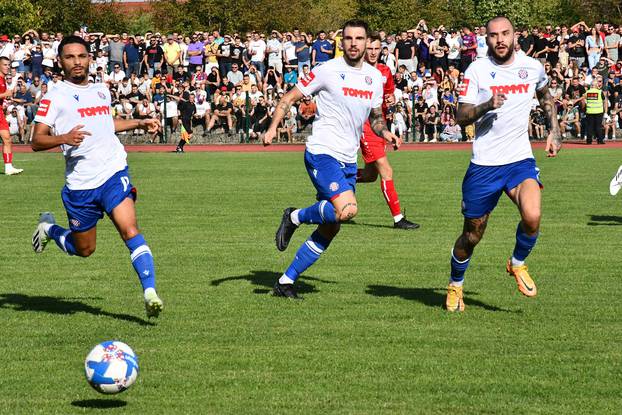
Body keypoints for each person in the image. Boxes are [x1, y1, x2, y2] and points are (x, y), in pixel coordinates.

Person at [262, 20, 400, 299]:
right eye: (348, 38)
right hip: (322, 152)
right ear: (342, 42)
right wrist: (273, 126)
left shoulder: (374, 78)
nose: (353, 43)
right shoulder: (327, 70)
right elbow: (289, 98)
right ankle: (295, 216)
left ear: (367, 43)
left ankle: (285, 281)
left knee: (331, 226)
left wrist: (387, 134)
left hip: (348, 159)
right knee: (348, 209)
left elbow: (374, 119)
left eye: (359, 38)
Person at [30, 36, 164, 318]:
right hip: (80, 186)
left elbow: (106, 123)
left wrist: (139, 122)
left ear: (89, 58)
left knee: (130, 230)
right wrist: (65, 137)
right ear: (60, 62)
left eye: (81, 56)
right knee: (85, 250)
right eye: (70, 57)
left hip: (113, 172)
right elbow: (36, 140)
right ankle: (49, 229)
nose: (77, 61)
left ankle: (149, 292)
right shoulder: (55, 95)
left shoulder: (102, 89)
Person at [446, 16, 562, 312]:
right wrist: (487, 105)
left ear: (515, 36)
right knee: (472, 236)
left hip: (519, 161)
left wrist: (554, 130)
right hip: (484, 166)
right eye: (493, 35)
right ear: (486, 39)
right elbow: (460, 116)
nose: (500, 39)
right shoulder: (478, 70)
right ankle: (456, 285)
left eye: (505, 34)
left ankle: (517, 263)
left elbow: (545, 95)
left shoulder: (531, 67)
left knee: (533, 215)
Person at [356, 33, 418, 228]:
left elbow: (389, 95)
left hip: (380, 125)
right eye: (370, 49)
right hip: (365, 125)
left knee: (369, 175)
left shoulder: (384, 71)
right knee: (386, 170)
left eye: (376, 49)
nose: (373, 52)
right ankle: (398, 219)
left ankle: (335, 180)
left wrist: (391, 102)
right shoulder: (357, 71)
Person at [0, 56, 23, 175]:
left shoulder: (3, 79)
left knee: (7, 139)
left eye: (8, 65)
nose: (7, 67)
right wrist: (5, 94)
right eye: (4, 64)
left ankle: (8, 168)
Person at [582, 77, 607, 144]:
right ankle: (600, 140)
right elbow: (604, 101)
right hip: (598, 111)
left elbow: (583, 101)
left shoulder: (587, 92)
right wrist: (605, 111)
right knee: (598, 126)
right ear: (596, 85)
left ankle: (589, 141)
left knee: (589, 126)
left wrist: (584, 109)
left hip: (589, 111)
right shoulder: (600, 92)